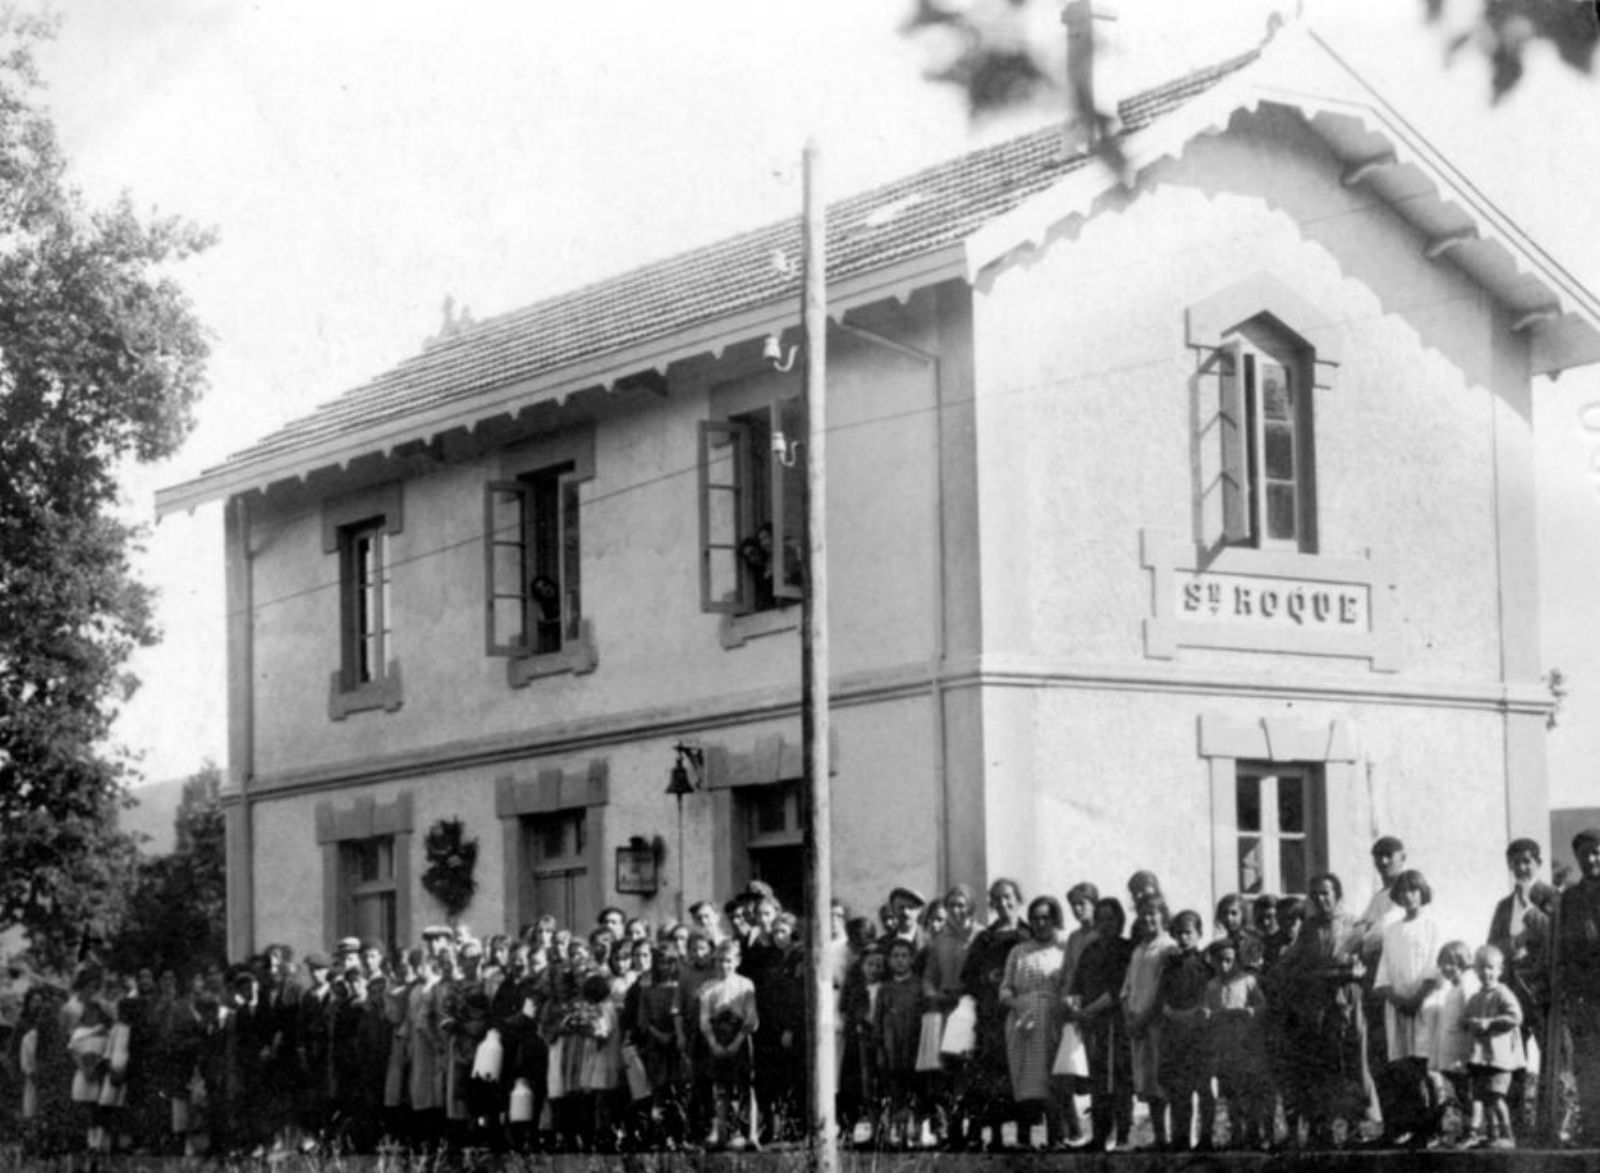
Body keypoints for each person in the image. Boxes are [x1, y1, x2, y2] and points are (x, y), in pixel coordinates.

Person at [1276, 872, 1368, 1149]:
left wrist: (1349, 972)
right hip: (1317, 1002)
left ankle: (1355, 1127)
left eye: (1325, 893)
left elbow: (1361, 964)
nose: (1320, 899)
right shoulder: (1309, 927)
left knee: (1350, 1061)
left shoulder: (1355, 924)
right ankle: (1322, 1127)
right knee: (1320, 1064)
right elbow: (1296, 963)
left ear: (1337, 895)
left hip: (1347, 1000)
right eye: (1315, 894)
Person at [1486, 837, 1554, 1128]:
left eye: (1527, 861)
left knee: (1551, 1057)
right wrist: (1511, 943)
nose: (1521, 867)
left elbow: (1556, 935)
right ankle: (1514, 1124)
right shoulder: (1503, 905)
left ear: (1538, 863)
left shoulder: (1552, 896)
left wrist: (1530, 910)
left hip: (1542, 990)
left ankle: (1551, 1126)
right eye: (1516, 862)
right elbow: (1492, 946)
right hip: (1513, 992)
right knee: (1511, 1057)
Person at [1372, 869, 1441, 1147]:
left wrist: (1417, 998)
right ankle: (1411, 1127)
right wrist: (1397, 998)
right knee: (1404, 1068)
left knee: (1427, 1065)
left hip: (1425, 1004)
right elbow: (1384, 972)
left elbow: (1435, 968)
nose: (1409, 896)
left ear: (1422, 892)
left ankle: (1432, 1127)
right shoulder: (1392, 930)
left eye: (1414, 890)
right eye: (1403, 891)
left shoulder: (1433, 924)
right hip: (1398, 1007)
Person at [960, 878, 1028, 1151]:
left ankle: (1024, 1135)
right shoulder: (984, 938)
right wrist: (988, 978)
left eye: (1008, 897)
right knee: (991, 1076)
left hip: (1021, 1012)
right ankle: (995, 1136)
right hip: (991, 1016)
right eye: (997, 899)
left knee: (1022, 1072)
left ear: (1018, 899)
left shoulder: (1028, 933)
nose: (1004, 903)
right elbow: (968, 976)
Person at [999, 896, 1066, 1151]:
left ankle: (1055, 1138)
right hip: (1021, 1021)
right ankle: (1024, 1139)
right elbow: (1005, 988)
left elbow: (1069, 985)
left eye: (1045, 917)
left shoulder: (1063, 948)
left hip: (1051, 1018)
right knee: (1024, 1077)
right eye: (1035, 918)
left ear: (1055, 919)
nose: (1040, 923)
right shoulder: (1019, 951)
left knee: (1051, 1078)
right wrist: (1017, 1006)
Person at [1068, 898, 1133, 1151]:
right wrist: (1075, 1007)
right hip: (1091, 1025)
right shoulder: (1090, 949)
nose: (1106, 924)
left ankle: (1123, 1136)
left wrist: (1089, 1011)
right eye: (1101, 919)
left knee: (1118, 1081)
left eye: (1111, 918)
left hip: (1115, 1023)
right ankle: (1099, 1136)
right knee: (1097, 1083)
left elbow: (1118, 989)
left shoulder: (1125, 949)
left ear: (1119, 921)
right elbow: (1077, 985)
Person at [1555, 827, 1600, 1147]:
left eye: (1597, 851)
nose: (1592, 858)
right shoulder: (1569, 897)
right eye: (1585, 853)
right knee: (1587, 1063)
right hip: (1584, 993)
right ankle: (1594, 1126)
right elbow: (1563, 949)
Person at [1201, 937, 1268, 1150]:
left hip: (1245, 1045)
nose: (1224, 966)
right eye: (1219, 961)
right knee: (1230, 1092)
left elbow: (1262, 1007)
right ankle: (1236, 1134)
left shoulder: (1247, 980)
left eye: (1229, 960)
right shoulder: (1211, 985)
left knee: (1248, 1090)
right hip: (1223, 1046)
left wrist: (1251, 1011)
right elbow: (1206, 1010)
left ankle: (1254, 1133)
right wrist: (1206, 1014)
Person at [1158, 910, 1215, 1152]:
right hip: (1175, 1035)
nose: (1183, 938)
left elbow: (1209, 997)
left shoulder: (1205, 965)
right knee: (1179, 1089)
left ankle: (1206, 1137)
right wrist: (1169, 1012)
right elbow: (1163, 996)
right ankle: (1180, 1137)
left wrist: (1192, 1015)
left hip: (1199, 1035)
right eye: (1179, 933)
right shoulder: (1170, 966)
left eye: (1188, 932)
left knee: (1203, 1087)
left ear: (1199, 934)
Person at [1122, 893, 1174, 1150]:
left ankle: (1177, 1137)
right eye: (1143, 915)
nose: (1148, 919)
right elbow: (1127, 988)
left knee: (1163, 1081)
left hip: (1158, 1025)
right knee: (1148, 1084)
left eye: (1153, 913)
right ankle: (1160, 1137)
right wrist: (1129, 1017)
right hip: (1139, 1027)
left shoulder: (1168, 948)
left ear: (1163, 915)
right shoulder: (1138, 950)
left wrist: (1144, 1019)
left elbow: (1163, 991)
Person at [698, 939, 759, 1151]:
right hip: (717, 1037)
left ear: (737, 961)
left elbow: (751, 1018)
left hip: (739, 1037)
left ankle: (750, 1134)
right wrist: (713, 1043)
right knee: (721, 1088)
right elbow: (704, 1019)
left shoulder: (745, 984)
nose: (724, 966)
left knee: (746, 1087)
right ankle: (721, 1133)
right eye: (720, 961)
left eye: (728, 961)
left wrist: (737, 1041)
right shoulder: (708, 987)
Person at [1463, 945, 1524, 1149]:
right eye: (1480, 968)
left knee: (1496, 1097)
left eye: (1490, 967)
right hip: (1481, 1057)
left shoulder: (1502, 992)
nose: (1485, 973)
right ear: (1475, 971)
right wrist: (1470, 1022)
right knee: (1484, 1097)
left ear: (1500, 970)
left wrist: (1490, 1022)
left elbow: (1516, 1016)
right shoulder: (1476, 996)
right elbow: (1464, 1018)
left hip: (1499, 1058)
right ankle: (1493, 1134)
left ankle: (1508, 1135)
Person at [1424, 940, 1478, 1145]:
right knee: (1459, 1094)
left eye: (1450, 963)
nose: (1445, 968)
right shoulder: (1454, 988)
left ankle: (1472, 1130)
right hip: (1453, 1055)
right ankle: (1465, 1129)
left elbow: (1470, 1019)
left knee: (1468, 1094)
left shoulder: (1467, 985)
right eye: (1442, 964)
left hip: (1464, 1053)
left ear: (1462, 962)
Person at [877, 936, 924, 1147]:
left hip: (913, 1046)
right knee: (896, 1090)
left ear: (912, 960)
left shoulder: (919, 985)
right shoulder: (884, 989)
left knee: (917, 1088)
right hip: (892, 1046)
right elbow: (878, 1018)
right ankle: (897, 1133)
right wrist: (880, 1047)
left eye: (904, 956)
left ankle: (917, 1132)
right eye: (895, 956)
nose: (900, 960)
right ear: (889, 960)